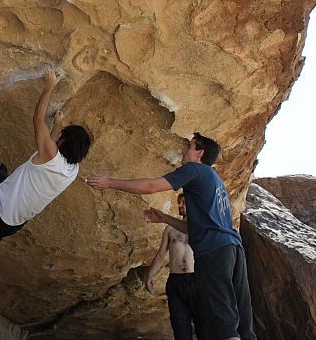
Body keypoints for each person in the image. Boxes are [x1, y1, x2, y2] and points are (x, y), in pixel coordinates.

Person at [0, 67, 92, 300]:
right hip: (13, 222)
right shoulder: (72, 171)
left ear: (61, 144)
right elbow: (50, 150)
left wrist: (49, 87)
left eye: (60, 137)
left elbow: (37, 119)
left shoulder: (51, 153)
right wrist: (56, 127)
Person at [86, 133, 255, 340]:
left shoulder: (194, 170)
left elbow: (151, 186)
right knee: (244, 327)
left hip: (214, 253)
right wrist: (165, 218)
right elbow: (198, 228)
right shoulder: (216, 181)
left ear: (199, 153)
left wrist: (109, 182)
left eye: (190, 147)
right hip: (234, 250)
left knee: (222, 324)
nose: (185, 151)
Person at [145, 192, 203, 340]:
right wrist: (150, 274)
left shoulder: (201, 228)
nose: (180, 205)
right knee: (180, 330)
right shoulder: (170, 229)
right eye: (179, 202)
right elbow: (160, 254)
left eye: (183, 202)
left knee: (204, 327)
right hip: (176, 282)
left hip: (197, 281)